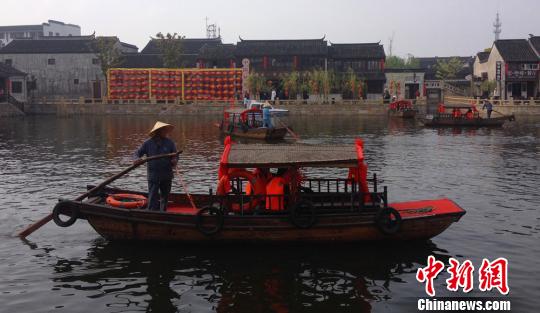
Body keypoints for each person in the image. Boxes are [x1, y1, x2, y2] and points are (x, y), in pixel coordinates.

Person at [133, 121, 178, 212]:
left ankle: (163, 212)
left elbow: (175, 155)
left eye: (166, 130)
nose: (166, 132)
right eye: (164, 130)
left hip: (166, 174)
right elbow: (137, 153)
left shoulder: (170, 143)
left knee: (165, 196)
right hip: (154, 174)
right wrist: (136, 159)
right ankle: (151, 212)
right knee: (153, 195)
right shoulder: (148, 143)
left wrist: (174, 160)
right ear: (158, 131)